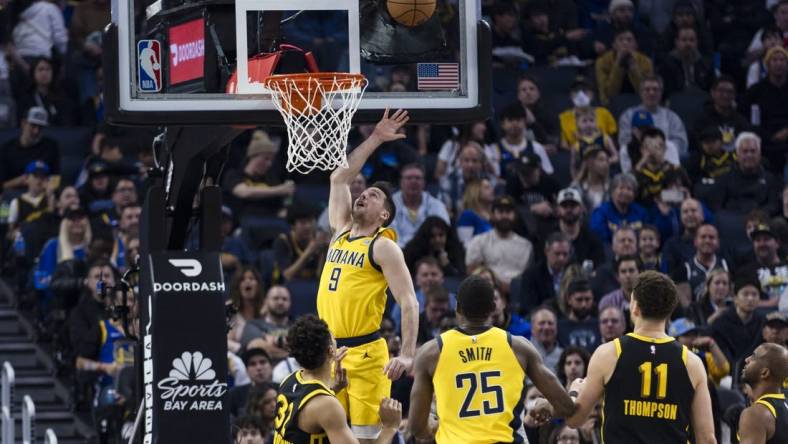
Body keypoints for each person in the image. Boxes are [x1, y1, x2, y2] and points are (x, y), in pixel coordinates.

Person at [317, 109, 418, 442]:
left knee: (365, 440)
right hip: (329, 353)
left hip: (365, 355)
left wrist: (406, 353)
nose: (363, 194)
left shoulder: (383, 247)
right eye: (365, 192)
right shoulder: (341, 230)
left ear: (384, 214)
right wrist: (375, 137)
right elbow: (339, 178)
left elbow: (408, 301)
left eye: (373, 195)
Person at [534, 271, 716, 444]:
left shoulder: (609, 353)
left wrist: (574, 391)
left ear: (634, 307)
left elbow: (574, 420)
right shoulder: (692, 362)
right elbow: (707, 439)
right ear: (670, 311)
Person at [408, 276, 576, 443]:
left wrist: (433, 426)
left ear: (457, 307)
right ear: (492, 307)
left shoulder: (431, 352)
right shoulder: (518, 347)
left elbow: (416, 428)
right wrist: (548, 407)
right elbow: (566, 407)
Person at [273, 315, 402, 444]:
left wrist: (334, 389)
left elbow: (304, 416)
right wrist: (390, 427)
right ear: (331, 351)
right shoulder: (327, 406)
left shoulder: (288, 381)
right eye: (333, 337)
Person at [466, 195, 533, 292]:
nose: (505, 216)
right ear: (492, 214)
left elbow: (529, 277)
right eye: (500, 212)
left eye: (508, 212)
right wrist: (498, 285)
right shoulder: (478, 241)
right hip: (486, 292)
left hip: (518, 293)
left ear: (515, 215)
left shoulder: (527, 246)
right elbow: (471, 272)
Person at [618, 75, 689, 159]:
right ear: (641, 93)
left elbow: (681, 143)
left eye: (655, 90)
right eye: (647, 90)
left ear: (661, 93)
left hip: (666, 159)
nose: (651, 93)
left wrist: (659, 151)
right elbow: (624, 141)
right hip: (637, 159)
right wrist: (645, 151)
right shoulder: (628, 115)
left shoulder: (672, 117)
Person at [737, 343, 788, 444]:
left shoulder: (756, 414)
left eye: (754, 357)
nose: (747, 359)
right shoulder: (784, 405)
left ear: (764, 373)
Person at [389, 163, 450, 247]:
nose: (413, 181)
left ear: (424, 183)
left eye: (418, 178)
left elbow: (444, 233)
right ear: (401, 182)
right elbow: (389, 239)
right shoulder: (389, 206)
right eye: (409, 178)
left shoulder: (437, 205)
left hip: (430, 254)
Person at [0, 106, 59, 191]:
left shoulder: (51, 146)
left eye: (40, 127)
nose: (36, 131)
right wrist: (17, 182)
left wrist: (45, 185)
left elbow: (56, 178)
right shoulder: (7, 149)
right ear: (23, 123)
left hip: (42, 194)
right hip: (13, 194)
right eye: (33, 125)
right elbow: (2, 186)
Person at [595, 28, 654, 105]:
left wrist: (633, 67)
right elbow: (609, 94)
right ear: (614, 45)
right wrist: (618, 63)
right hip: (613, 104)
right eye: (621, 40)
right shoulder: (602, 62)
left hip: (639, 103)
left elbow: (645, 92)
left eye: (629, 40)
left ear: (635, 45)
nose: (625, 43)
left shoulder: (645, 61)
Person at [272, 204, 327, 282]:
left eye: (311, 221)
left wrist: (324, 252)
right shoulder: (283, 241)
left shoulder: (318, 241)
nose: (308, 226)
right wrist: (308, 252)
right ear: (293, 225)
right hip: (290, 287)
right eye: (303, 223)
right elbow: (287, 276)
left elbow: (320, 277)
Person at [517, 233, 571, 312]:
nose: (561, 259)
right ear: (546, 251)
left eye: (565, 254)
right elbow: (528, 306)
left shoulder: (574, 272)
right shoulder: (531, 275)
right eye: (557, 254)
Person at [668, 318, 730, 386]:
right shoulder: (668, 358)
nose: (692, 337)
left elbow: (724, 370)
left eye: (694, 334)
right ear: (675, 339)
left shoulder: (703, 356)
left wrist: (711, 343)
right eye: (687, 335)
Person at [227, 348, 273, 419]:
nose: (258, 368)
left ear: (271, 367)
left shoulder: (283, 389)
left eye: (263, 362)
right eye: (252, 364)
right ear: (246, 370)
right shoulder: (235, 394)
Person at [456, 178, 494, 245]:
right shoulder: (468, 215)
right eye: (487, 187)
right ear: (476, 191)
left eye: (491, 187)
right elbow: (465, 244)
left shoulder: (492, 214)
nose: (492, 190)